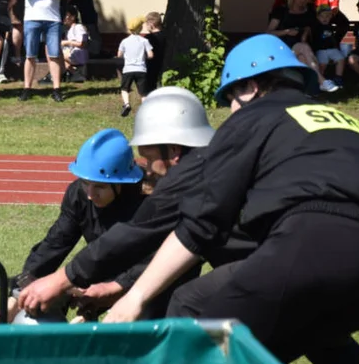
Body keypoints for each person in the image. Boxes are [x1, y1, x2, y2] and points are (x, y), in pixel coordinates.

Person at [104, 34, 359, 364]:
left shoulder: (255, 116)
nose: (231, 110)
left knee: (198, 327)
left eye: (231, 97)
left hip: (314, 245)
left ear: (250, 86)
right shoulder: (345, 122)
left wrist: (135, 297)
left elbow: (201, 224)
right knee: (322, 335)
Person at [17, 87, 217, 322]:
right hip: (112, 269)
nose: (149, 170)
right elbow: (56, 242)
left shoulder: (185, 187)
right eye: (85, 184)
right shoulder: (202, 171)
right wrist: (23, 286)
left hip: (246, 268)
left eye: (151, 159)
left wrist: (122, 290)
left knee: (185, 304)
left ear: (174, 150)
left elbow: (137, 237)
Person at [0, 128, 146, 325]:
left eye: (99, 187)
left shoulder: (148, 204)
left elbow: (152, 263)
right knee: (50, 291)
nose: (90, 194)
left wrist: (112, 292)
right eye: (85, 183)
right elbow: (55, 243)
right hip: (100, 264)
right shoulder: (79, 196)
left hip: (148, 278)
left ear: (121, 183)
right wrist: (19, 293)